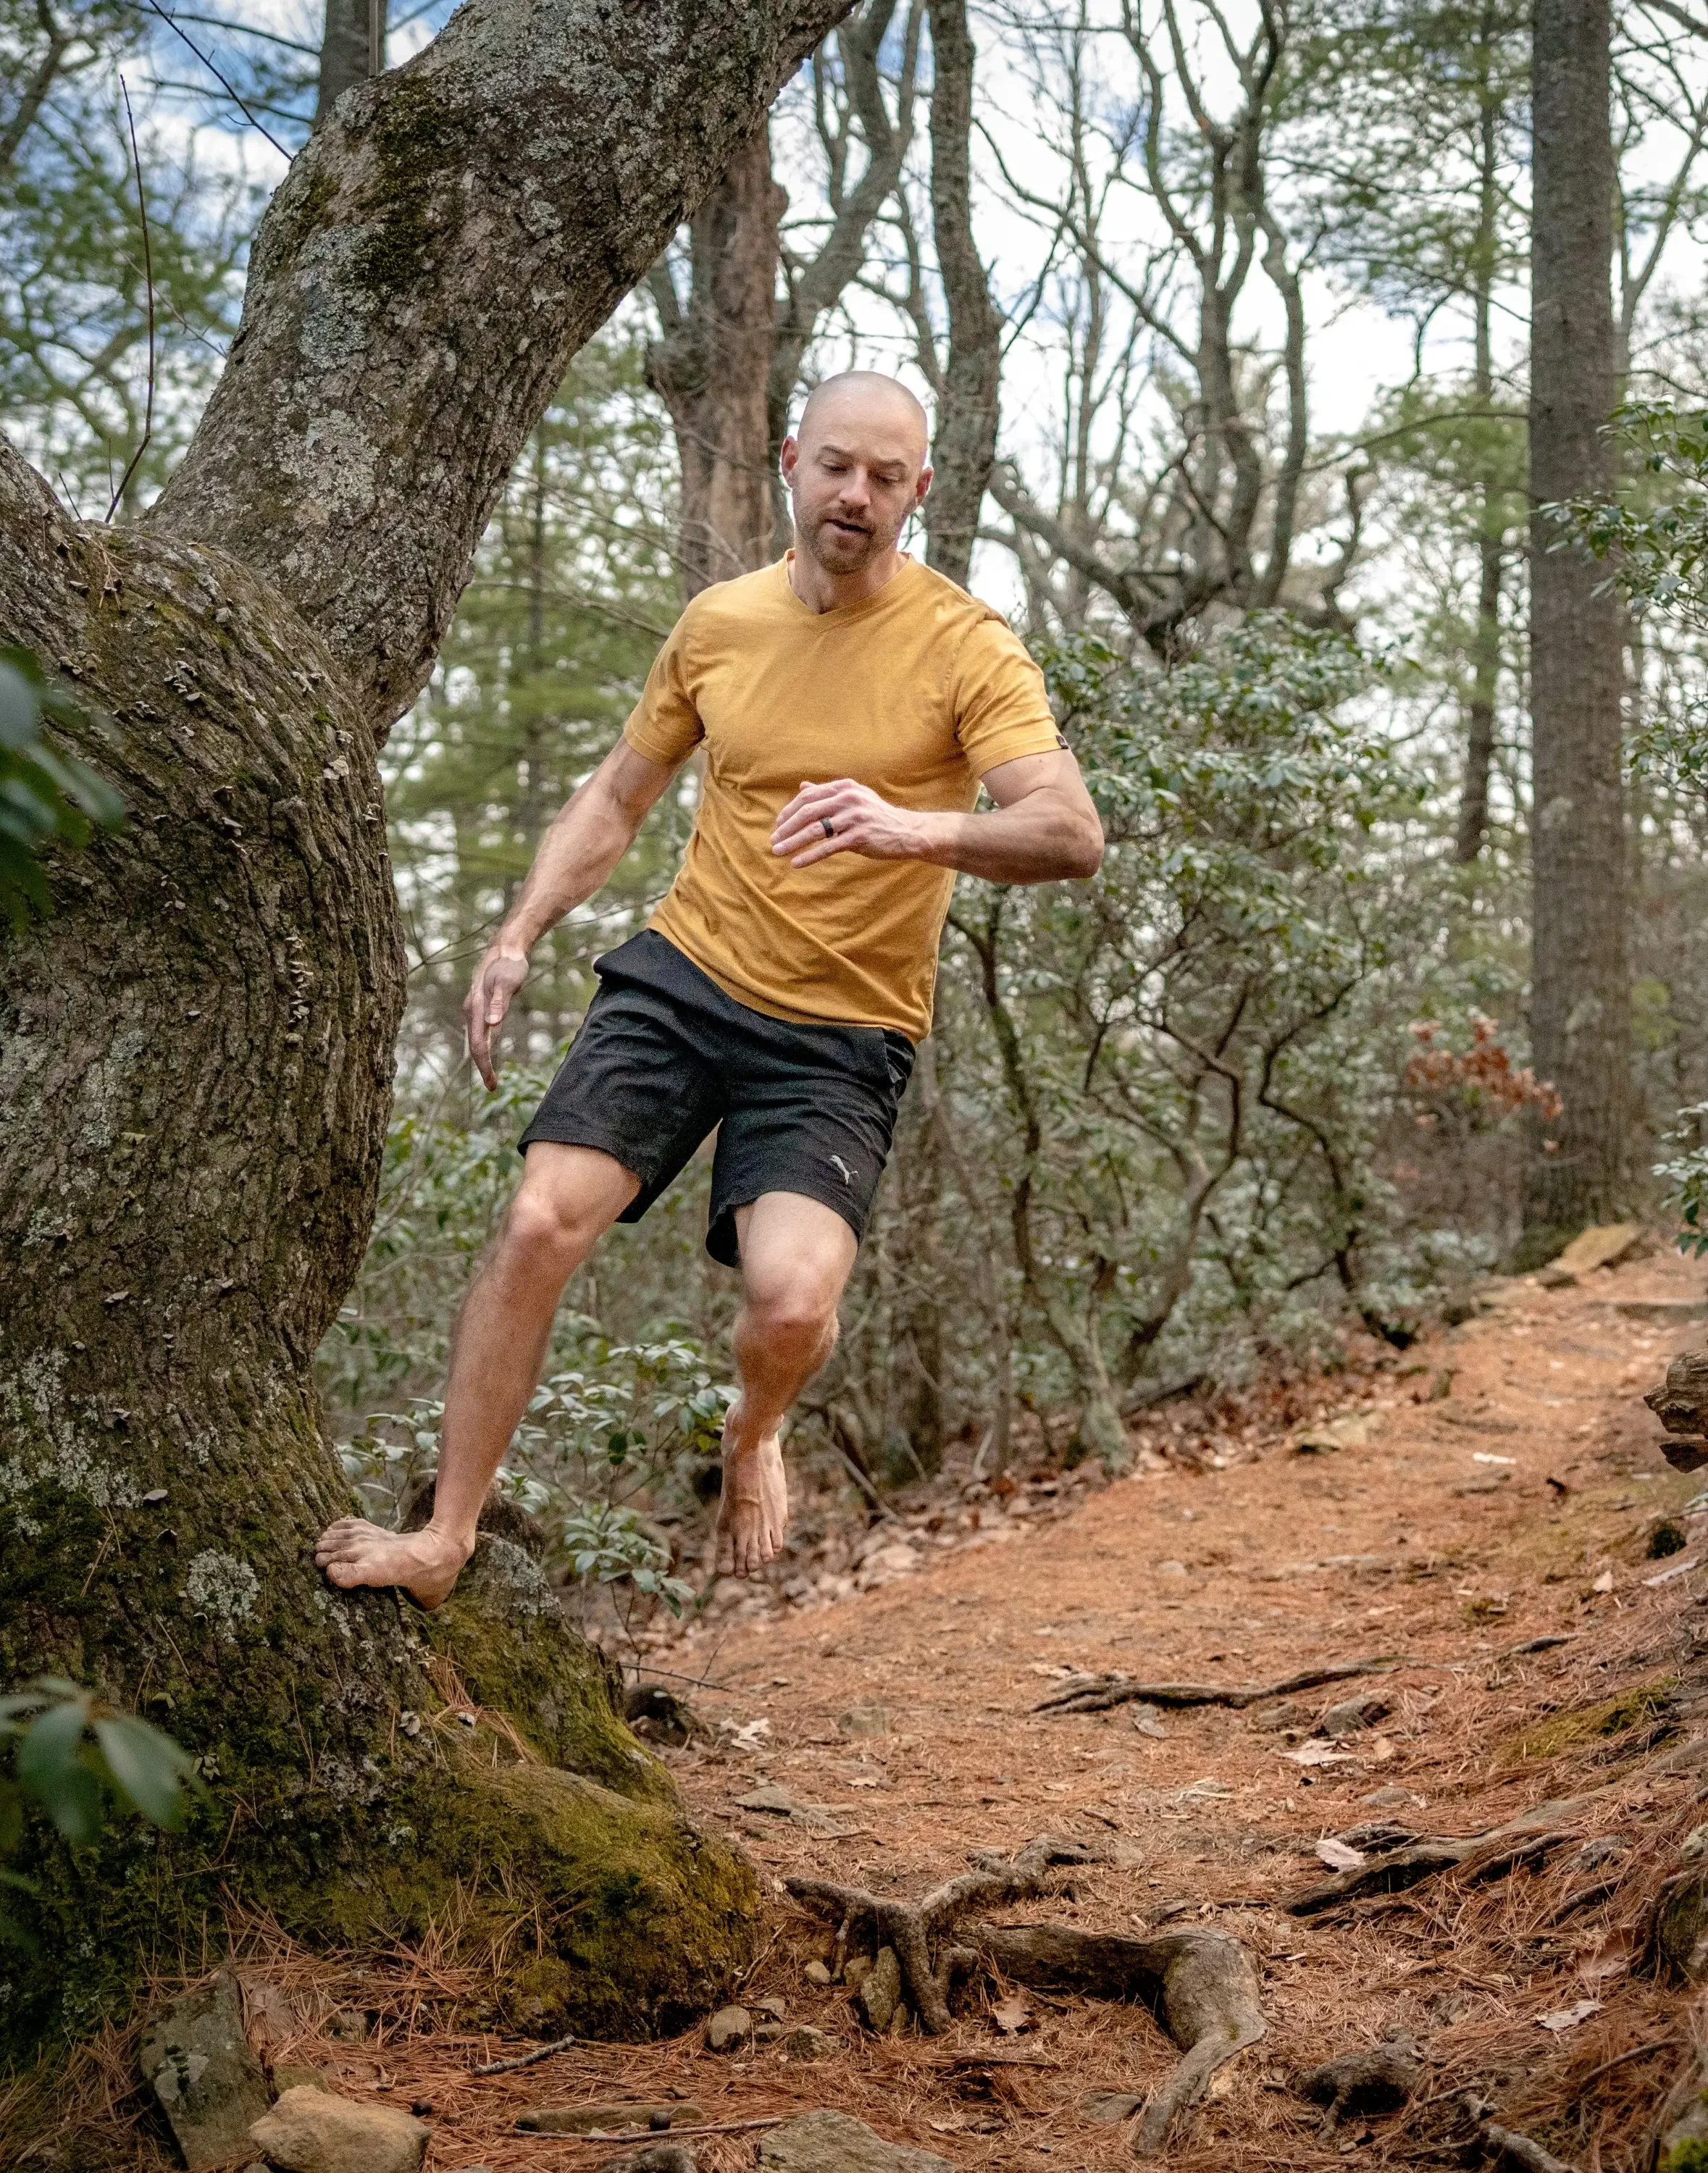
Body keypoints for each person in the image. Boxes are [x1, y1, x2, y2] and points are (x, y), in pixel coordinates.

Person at [315, 370, 1104, 1609]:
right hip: (686, 978)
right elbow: (620, 793)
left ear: (920, 492)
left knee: (789, 1305)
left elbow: (1068, 831)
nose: (856, 495)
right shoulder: (719, 623)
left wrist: (910, 829)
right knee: (537, 1222)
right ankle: (444, 1537)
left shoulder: (964, 647)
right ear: (790, 461)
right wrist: (522, 927)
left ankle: (752, 1435)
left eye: (885, 478)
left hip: (841, 1029)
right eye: (837, 465)